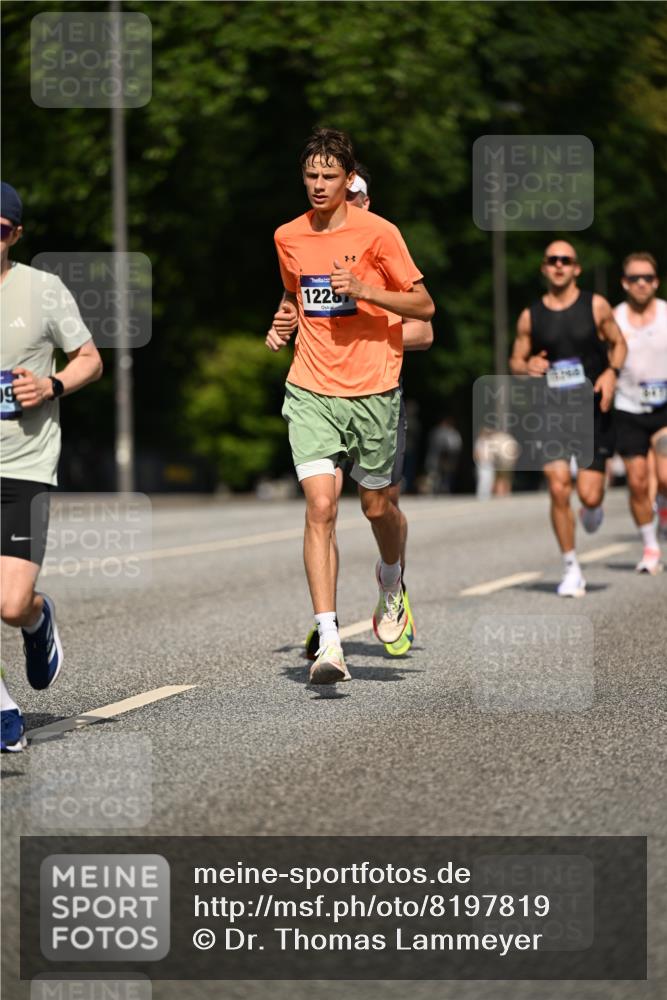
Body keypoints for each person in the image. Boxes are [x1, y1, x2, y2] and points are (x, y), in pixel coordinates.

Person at [270, 129, 434, 683]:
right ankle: (330, 639)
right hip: (311, 387)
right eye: (311, 176)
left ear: (349, 180)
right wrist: (283, 320)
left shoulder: (380, 233)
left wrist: (365, 290)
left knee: (376, 507)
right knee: (320, 506)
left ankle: (391, 578)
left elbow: (424, 307)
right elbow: (295, 293)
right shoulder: (287, 236)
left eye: (329, 176)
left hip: (374, 390)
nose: (319, 185)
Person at [0, 182, 103, 751]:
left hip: (26, 466)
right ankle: (3, 708)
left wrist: (51, 385)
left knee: (11, 603)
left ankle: (38, 620)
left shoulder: (43, 290)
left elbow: (90, 359)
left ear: (14, 234)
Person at [509, 240, 627, 597]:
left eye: (566, 260)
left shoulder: (596, 305)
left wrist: (611, 373)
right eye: (552, 260)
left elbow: (619, 344)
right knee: (558, 485)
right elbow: (516, 361)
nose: (559, 265)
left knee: (589, 496)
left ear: (576, 268)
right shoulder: (530, 316)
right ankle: (571, 567)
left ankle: (593, 507)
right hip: (551, 412)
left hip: (592, 410)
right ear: (544, 268)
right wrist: (526, 365)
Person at [613, 252, 667, 573]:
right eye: (635, 278)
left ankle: (663, 505)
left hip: (664, 409)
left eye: (647, 277)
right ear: (625, 283)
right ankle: (650, 547)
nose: (642, 283)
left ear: (656, 282)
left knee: (665, 476)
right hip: (628, 407)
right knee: (636, 481)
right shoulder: (614, 318)